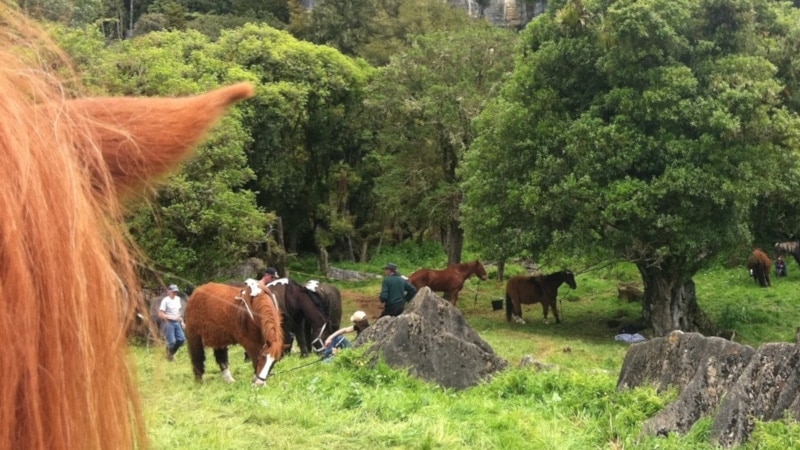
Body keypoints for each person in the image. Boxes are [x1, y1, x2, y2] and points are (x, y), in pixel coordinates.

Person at [158, 284, 186, 361]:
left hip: (177, 322)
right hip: (168, 323)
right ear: (168, 291)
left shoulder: (178, 299)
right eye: (173, 292)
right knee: (172, 342)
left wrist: (182, 322)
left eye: (176, 292)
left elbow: (178, 312)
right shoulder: (165, 300)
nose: (175, 293)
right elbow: (160, 314)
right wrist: (171, 317)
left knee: (181, 339)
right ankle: (170, 356)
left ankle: (170, 353)